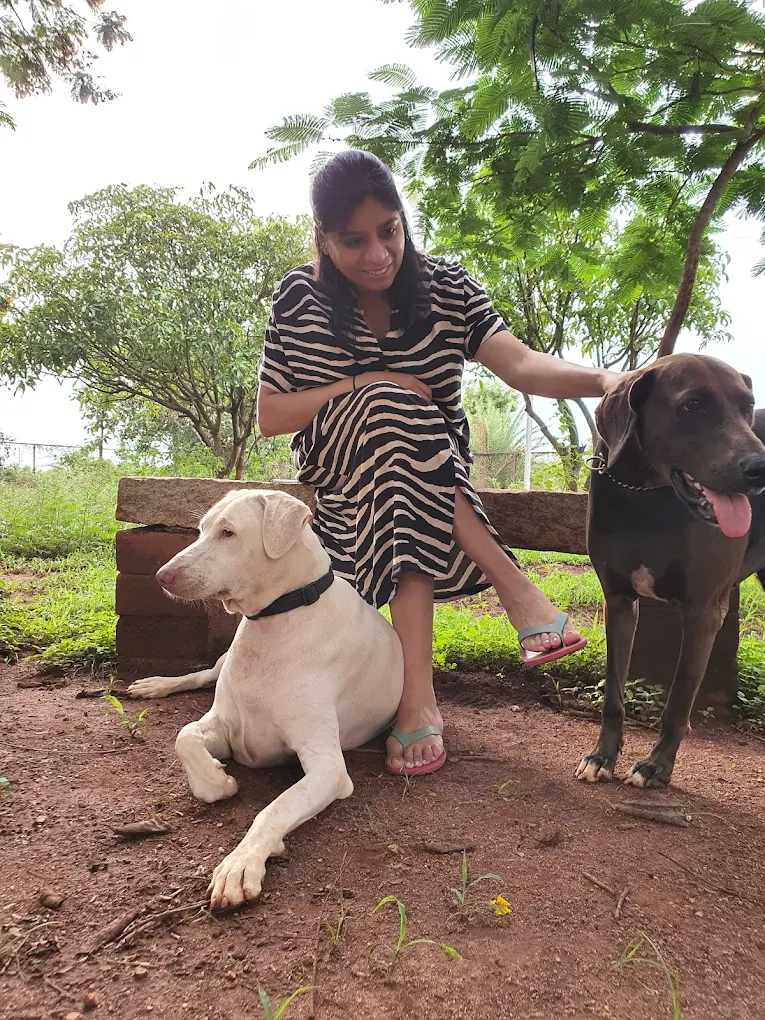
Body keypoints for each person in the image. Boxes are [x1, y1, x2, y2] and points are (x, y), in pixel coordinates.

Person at [257, 150, 619, 777]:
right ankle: (517, 592)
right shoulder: (298, 297)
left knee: (408, 453)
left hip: (427, 480)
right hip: (341, 479)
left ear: (403, 220)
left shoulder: (446, 286)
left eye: (388, 231)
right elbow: (273, 414)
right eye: (353, 240)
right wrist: (363, 381)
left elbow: (521, 364)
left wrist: (607, 378)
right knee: (391, 403)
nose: (377, 253)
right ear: (322, 236)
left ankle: (416, 697)